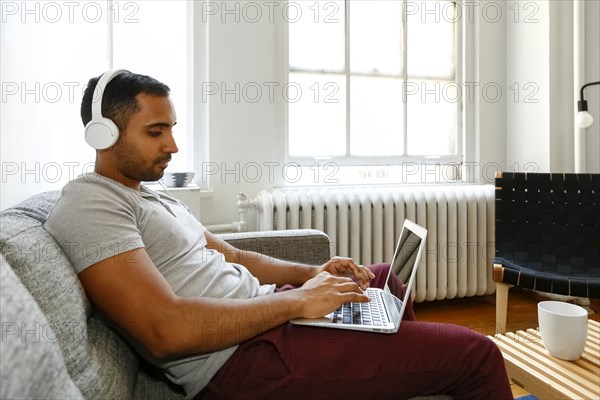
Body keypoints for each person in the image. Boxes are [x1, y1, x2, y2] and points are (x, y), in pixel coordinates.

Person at [45, 71, 513, 400]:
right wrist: (297, 303)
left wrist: (312, 274)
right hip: (243, 362)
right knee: (478, 353)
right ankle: (415, 365)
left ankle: (391, 368)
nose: (173, 145)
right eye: (156, 131)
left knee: (382, 279)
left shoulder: (153, 196)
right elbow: (165, 332)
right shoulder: (91, 204)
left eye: (171, 128)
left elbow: (232, 254)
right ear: (102, 135)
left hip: (263, 318)